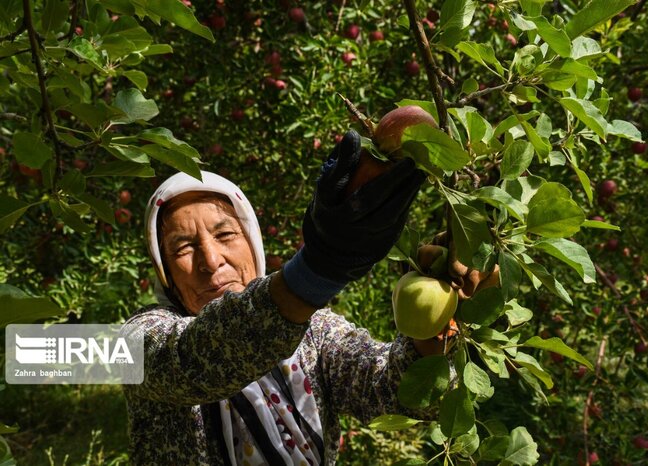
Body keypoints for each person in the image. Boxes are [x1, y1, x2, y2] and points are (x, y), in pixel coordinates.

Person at [122, 130, 494, 465]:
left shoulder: (314, 331)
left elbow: (390, 389)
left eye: (225, 235)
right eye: (183, 247)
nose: (211, 260)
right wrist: (319, 269)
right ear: (164, 269)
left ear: (252, 241)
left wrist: (440, 316)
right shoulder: (140, 338)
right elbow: (198, 359)